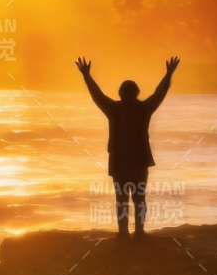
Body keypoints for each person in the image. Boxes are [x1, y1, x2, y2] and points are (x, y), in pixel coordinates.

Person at [75, 54, 179, 238]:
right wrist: (169, 74)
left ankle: (123, 232)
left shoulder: (113, 109)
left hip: (119, 162)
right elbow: (159, 93)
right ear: (137, 93)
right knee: (139, 199)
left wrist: (86, 75)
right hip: (140, 160)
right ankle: (139, 231)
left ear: (120, 94)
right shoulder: (144, 109)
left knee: (121, 199)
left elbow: (96, 94)